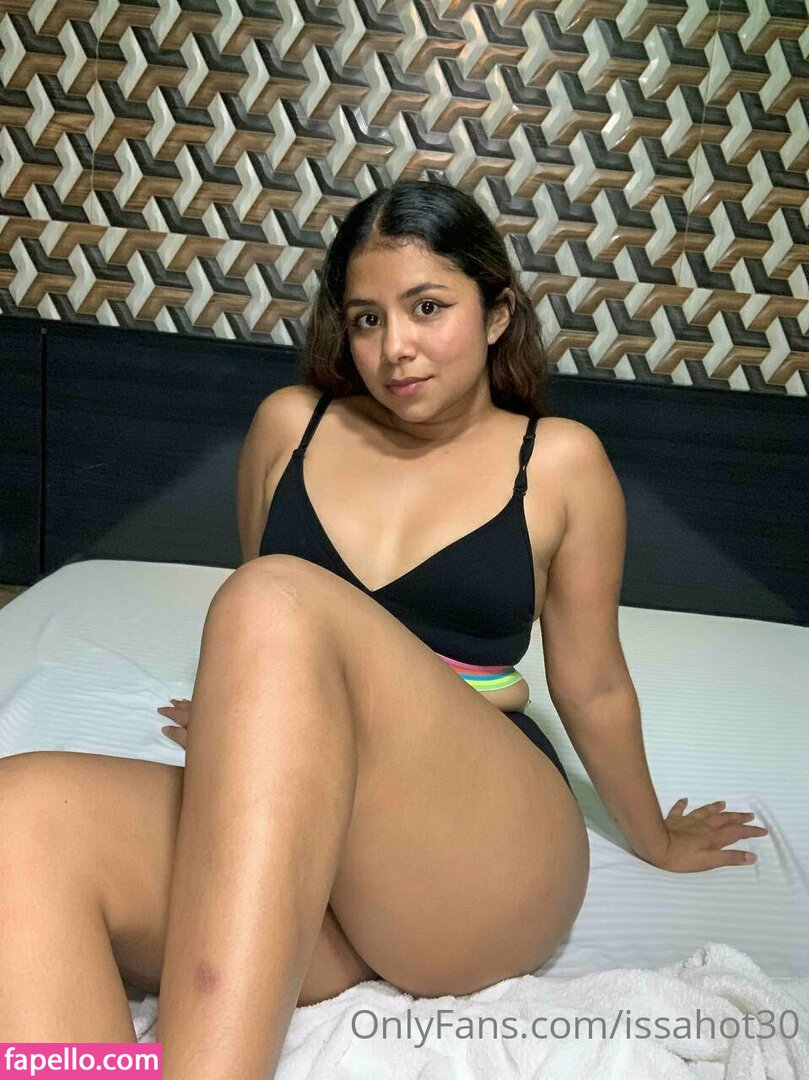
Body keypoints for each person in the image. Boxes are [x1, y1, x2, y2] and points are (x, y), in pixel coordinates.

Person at [0, 179, 768, 1079]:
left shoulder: (559, 460)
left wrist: (655, 838)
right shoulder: (289, 427)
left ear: (496, 314)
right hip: (319, 849)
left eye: (427, 307)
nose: (393, 347)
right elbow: (278, 650)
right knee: (22, 818)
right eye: (366, 319)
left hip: (477, 845)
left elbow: (591, 684)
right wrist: (247, 724)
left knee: (271, 596)